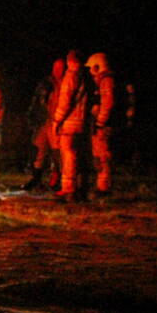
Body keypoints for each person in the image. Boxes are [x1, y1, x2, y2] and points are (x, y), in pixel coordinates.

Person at [22, 58, 65, 191]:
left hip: (58, 123)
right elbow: (36, 100)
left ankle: (58, 179)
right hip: (43, 121)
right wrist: (32, 117)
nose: (58, 71)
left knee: (57, 153)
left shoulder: (67, 84)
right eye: (56, 68)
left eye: (61, 68)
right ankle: (35, 178)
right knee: (38, 150)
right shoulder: (46, 83)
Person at [52, 50, 90, 201]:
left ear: (70, 61)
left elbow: (65, 101)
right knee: (79, 156)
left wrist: (57, 120)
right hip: (82, 123)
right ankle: (81, 188)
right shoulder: (85, 76)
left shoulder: (71, 76)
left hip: (69, 123)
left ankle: (68, 189)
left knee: (68, 156)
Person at [86, 52, 115, 198]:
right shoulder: (102, 81)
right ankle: (101, 185)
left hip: (102, 126)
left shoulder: (106, 81)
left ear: (98, 67)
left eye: (91, 68)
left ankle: (104, 188)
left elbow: (107, 103)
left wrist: (100, 122)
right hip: (99, 124)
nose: (90, 72)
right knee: (99, 155)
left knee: (103, 156)